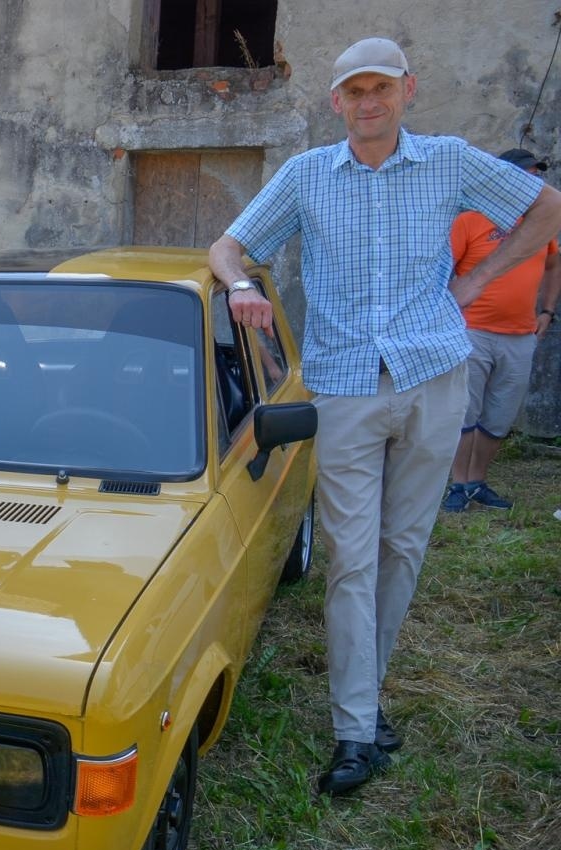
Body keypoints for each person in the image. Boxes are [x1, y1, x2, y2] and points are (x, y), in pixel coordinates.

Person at [207, 36, 561, 797]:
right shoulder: (307, 175)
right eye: (354, 92)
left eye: (382, 89)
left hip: (436, 377)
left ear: (408, 89)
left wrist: (478, 281)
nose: (369, 103)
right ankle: (355, 730)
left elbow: (546, 209)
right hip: (343, 386)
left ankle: (365, 697)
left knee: (403, 548)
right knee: (352, 559)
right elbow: (228, 246)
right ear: (336, 101)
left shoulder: (448, 160)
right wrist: (240, 285)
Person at [442, 148, 561, 511]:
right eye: (526, 174)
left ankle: (478, 480)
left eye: (536, 175)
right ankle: (458, 485)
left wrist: (547, 312)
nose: (534, 181)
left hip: (522, 335)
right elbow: (443, 272)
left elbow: (554, 266)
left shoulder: (539, 225)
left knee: (499, 415)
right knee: (465, 412)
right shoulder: (470, 220)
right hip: (472, 331)